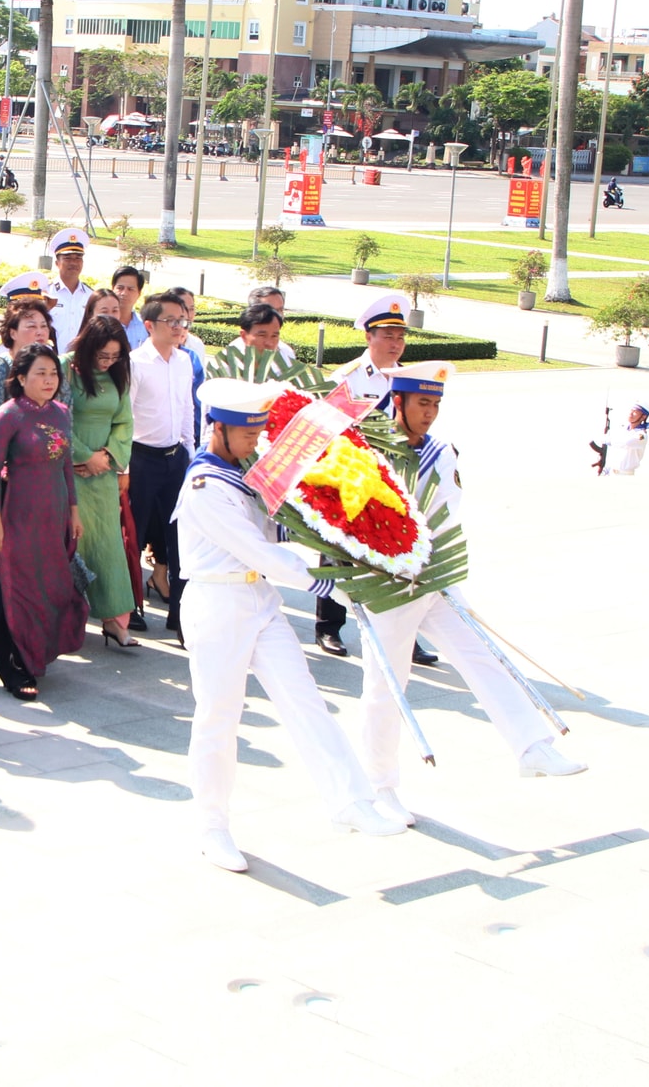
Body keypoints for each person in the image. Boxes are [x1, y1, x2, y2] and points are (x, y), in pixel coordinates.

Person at [178, 379, 405, 872]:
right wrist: (327, 585)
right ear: (217, 429)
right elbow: (260, 550)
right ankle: (212, 826)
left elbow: (276, 532)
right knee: (219, 716)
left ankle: (350, 800)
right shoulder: (204, 487)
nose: (254, 441)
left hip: (258, 598)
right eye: (246, 433)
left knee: (304, 698)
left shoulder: (241, 473)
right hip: (218, 603)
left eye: (257, 432)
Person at [357, 363, 585, 825]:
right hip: (386, 586)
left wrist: (427, 557)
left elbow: (446, 510)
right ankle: (380, 787)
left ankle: (531, 746)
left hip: (433, 577)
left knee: (482, 656)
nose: (430, 413)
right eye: (422, 403)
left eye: (436, 405)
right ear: (397, 401)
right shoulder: (364, 449)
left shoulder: (440, 452)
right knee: (387, 688)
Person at [0, 342, 86, 700]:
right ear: (21, 377)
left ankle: (35, 653)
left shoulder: (61, 413)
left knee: (51, 585)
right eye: (40, 373)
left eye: (53, 373)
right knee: (19, 588)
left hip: (53, 512)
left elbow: (66, 466)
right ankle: (13, 666)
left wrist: (74, 511)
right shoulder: (7, 416)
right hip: (18, 514)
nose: (49, 380)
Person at [313, 291, 409, 657]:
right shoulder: (348, 378)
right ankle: (328, 627)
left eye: (400, 337)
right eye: (387, 336)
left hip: (393, 480)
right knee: (337, 554)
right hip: (351, 477)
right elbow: (329, 430)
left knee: (399, 554)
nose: (395, 343)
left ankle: (405, 633)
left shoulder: (408, 379)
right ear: (369, 337)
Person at [0, 298, 56, 654]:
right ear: (12, 332)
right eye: (30, 325)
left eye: (43, 326)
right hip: (2, 474)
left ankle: (13, 625)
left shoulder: (48, 367)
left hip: (38, 476)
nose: (39, 332)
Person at [127, 289, 202, 635]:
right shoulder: (135, 363)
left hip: (175, 459)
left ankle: (180, 613)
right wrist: (124, 468)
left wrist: (190, 452)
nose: (177, 326)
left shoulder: (184, 361)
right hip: (141, 459)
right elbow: (125, 416)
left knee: (179, 537)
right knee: (135, 534)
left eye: (182, 320)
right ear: (149, 325)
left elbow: (187, 408)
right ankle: (130, 606)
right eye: (170, 320)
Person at [64, 316, 138, 646]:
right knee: (73, 543)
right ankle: (68, 619)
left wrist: (106, 457)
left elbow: (124, 422)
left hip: (103, 474)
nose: (108, 362)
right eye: (102, 355)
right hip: (69, 473)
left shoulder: (118, 375)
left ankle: (114, 619)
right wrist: (83, 456)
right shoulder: (65, 368)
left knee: (108, 545)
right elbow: (56, 417)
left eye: (114, 356)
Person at [44, 228, 93, 352]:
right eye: (68, 258)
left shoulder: (91, 296)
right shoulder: (46, 293)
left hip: (81, 361)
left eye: (78, 258)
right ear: (57, 263)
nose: (73, 263)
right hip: (51, 360)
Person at [227, 303, 298, 375]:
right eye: (262, 335)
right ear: (244, 336)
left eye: (274, 336)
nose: (269, 343)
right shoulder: (228, 363)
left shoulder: (286, 354)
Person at [596, 404, 649, 475]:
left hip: (625, 474)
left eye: (635, 412)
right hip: (611, 471)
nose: (631, 413)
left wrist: (608, 440)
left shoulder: (641, 435)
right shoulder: (622, 429)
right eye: (631, 410)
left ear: (643, 417)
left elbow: (626, 443)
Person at [112, 266, 149, 348]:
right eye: (120, 288)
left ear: (139, 293)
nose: (124, 293)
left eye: (130, 289)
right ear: (112, 289)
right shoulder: (103, 323)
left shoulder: (145, 326)